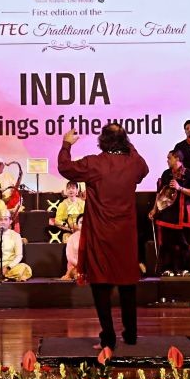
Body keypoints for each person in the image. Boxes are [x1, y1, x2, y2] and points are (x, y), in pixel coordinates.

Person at [58, 123, 149, 350]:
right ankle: (130, 335)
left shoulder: (94, 163)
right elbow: (144, 170)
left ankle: (108, 339)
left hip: (102, 234)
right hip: (125, 235)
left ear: (103, 141)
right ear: (125, 141)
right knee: (127, 284)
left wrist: (67, 144)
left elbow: (65, 167)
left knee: (101, 285)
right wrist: (128, 146)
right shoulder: (133, 162)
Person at [148, 150, 190, 275]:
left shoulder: (189, 174)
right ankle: (167, 269)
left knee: (183, 243)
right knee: (166, 243)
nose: (167, 160)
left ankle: (184, 269)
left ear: (177, 159)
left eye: (169, 158)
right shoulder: (166, 173)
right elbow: (159, 193)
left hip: (181, 214)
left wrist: (179, 188)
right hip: (166, 213)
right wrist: (154, 209)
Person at [61, 214, 83, 281]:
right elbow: (70, 257)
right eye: (81, 222)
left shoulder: (94, 237)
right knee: (76, 273)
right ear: (77, 225)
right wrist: (80, 264)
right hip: (75, 266)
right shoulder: (72, 238)